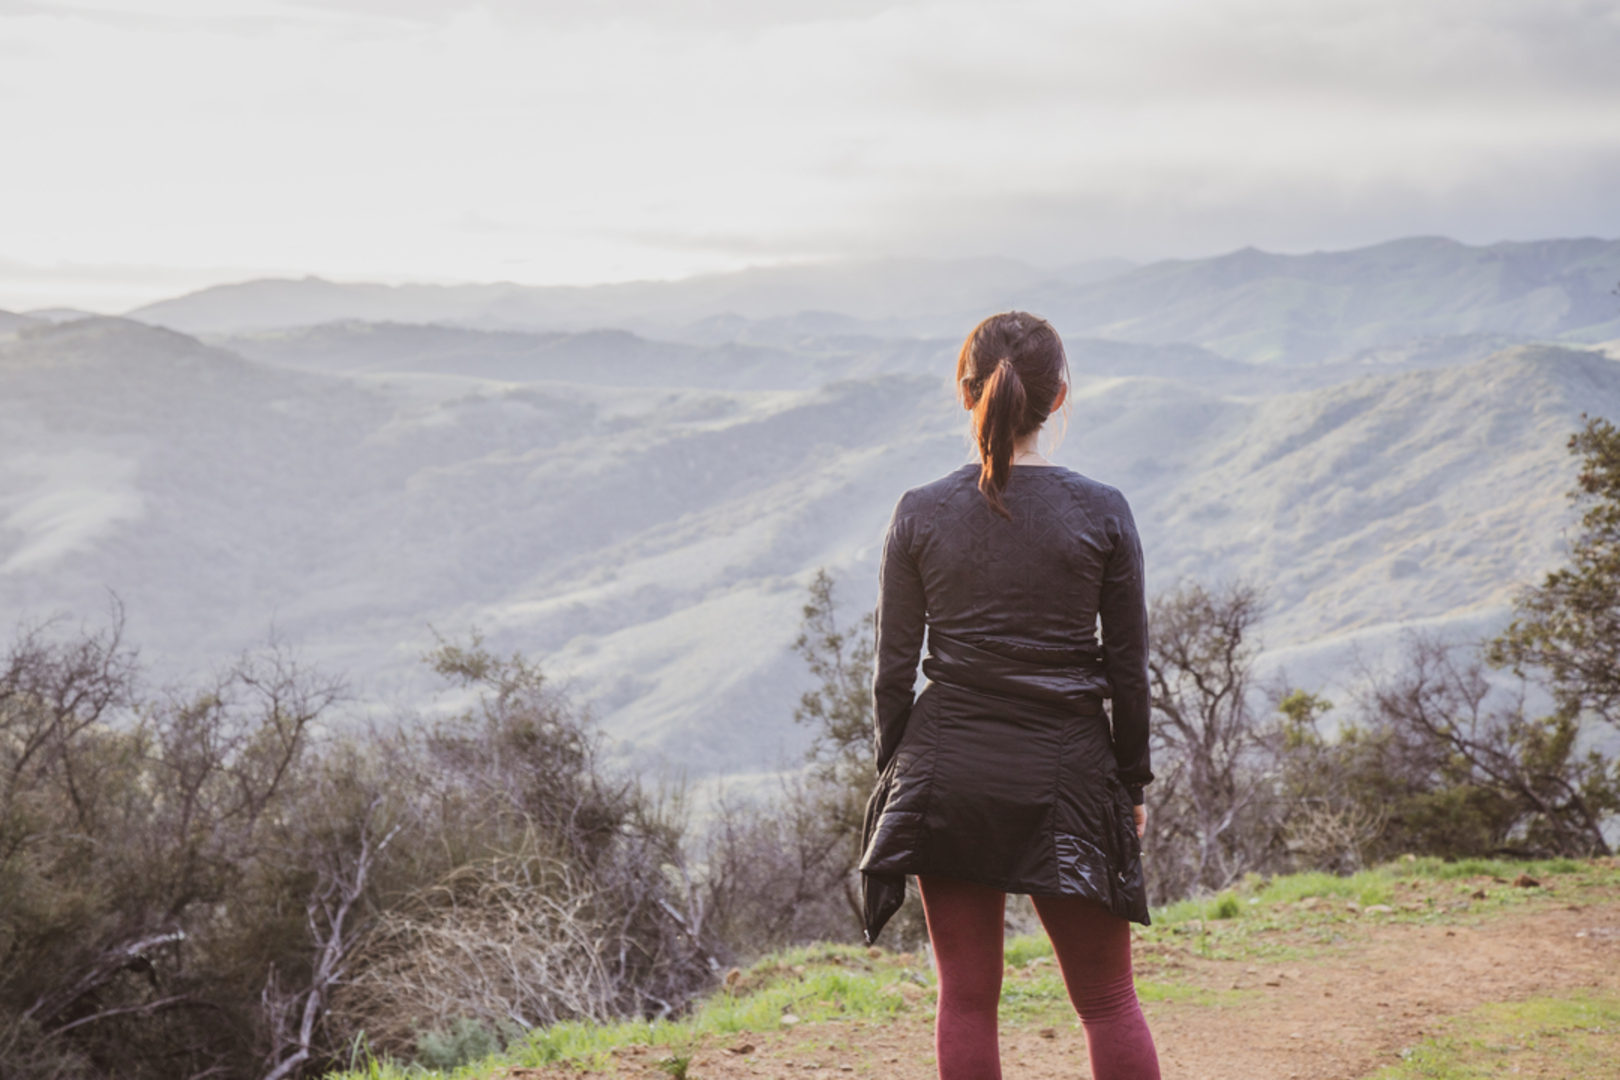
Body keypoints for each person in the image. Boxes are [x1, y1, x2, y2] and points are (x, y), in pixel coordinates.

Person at [858, 311, 1160, 1080]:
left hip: (947, 772)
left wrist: (903, 778)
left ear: (966, 395)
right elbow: (1128, 668)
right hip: (1068, 772)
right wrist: (1131, 781)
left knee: (965, 1002)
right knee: (1107, 1002)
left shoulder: (919, 511)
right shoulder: (1102, 510)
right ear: (1060, 397)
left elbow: (894, 673)